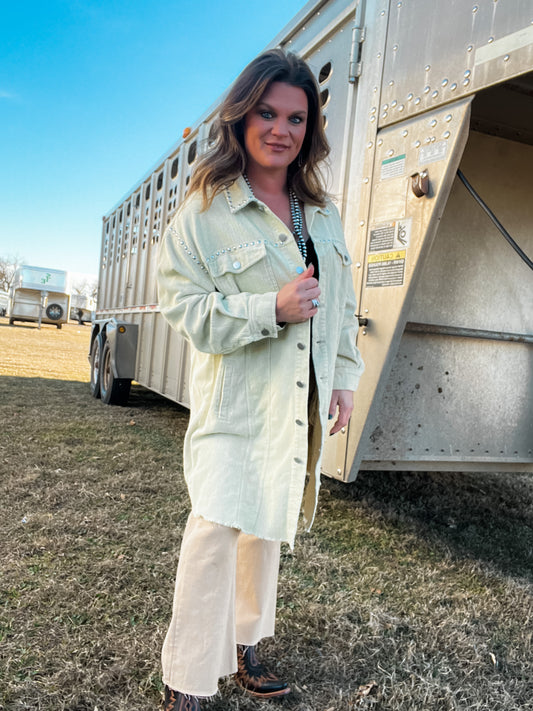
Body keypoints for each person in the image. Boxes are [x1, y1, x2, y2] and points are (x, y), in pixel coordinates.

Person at [156, 48, 364, 711]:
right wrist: (266, 308)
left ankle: (246, 645)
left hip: (296, 395)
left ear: (310, 128)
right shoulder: (204, 212)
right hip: (236, 399)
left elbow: (339, 306)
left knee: (264, 524)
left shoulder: (319, 212)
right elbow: (186, 313)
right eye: (267, 113)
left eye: (296, 118)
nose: (280, 129)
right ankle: (187, 677)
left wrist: (342, 379)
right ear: (242, 117)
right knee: (216, 524)